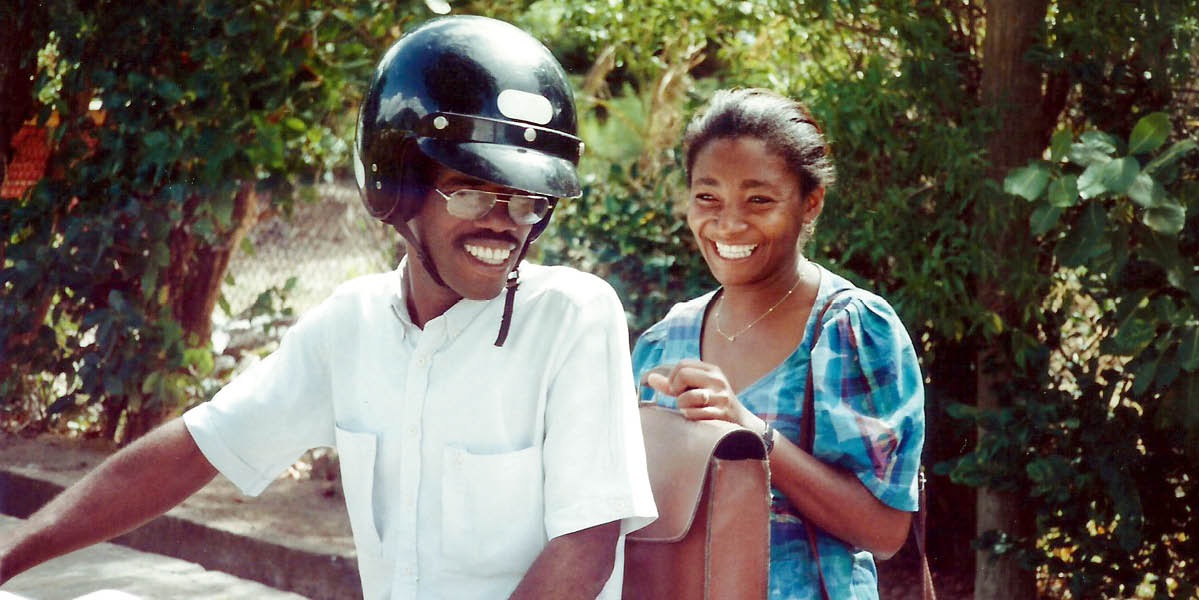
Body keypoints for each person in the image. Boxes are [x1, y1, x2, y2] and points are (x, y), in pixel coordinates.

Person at [0, 15, 656, 599]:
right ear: (396, 185)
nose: (505, 223)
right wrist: (10, 558)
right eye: (472, 191)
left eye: (527, 200)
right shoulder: (352, 324)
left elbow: (585, 549)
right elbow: (197, 449)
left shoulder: (572, 315)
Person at [632, 88, 925, 599]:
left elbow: (885, 532)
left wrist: (749, 428)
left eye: (759, 200)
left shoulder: (848, 330)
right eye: (707, 197)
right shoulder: (663, 342)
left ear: (810, 203)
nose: (728, 224)